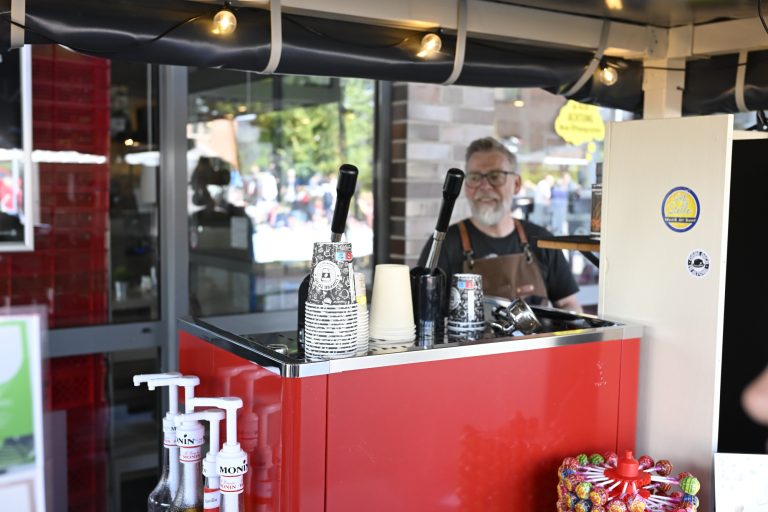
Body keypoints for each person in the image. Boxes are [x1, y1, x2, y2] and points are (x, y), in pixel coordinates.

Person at [417, 137, 581, 312]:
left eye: (495, 176)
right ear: (466, 186)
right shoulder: (444, 244)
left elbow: (568, 305)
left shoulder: (542, 240)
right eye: (475, 177)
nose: (485, 186)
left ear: (516, 184)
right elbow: (423, 312)